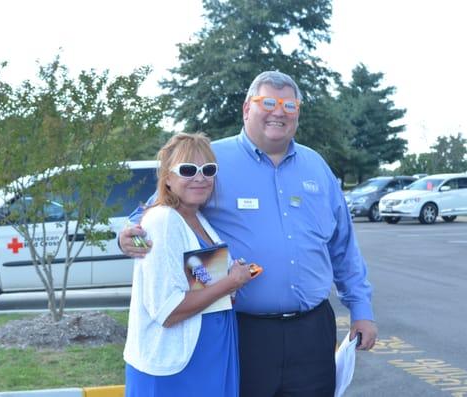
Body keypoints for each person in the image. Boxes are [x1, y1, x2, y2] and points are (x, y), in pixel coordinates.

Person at [120, 71, 378, 397]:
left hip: (311, 332)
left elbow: (343, 247)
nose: (278, 111)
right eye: (267, 102)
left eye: (289, 104)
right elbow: (156, 209)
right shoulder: (211, 162)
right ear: (246, 109)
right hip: (245, 333)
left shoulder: (317, 167)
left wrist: (361, 311)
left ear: (298, 111)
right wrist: (126, 235)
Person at [123, 132, 253, 397]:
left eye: (208, 170)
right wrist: (231, 282)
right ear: (168, 179)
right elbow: (168, 311)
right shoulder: (162, 221)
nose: (200, 177)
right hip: (175, 367)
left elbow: (200, 281)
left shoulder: (198, 219)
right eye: (188, 170)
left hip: (210, 354)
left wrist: (230, 279)